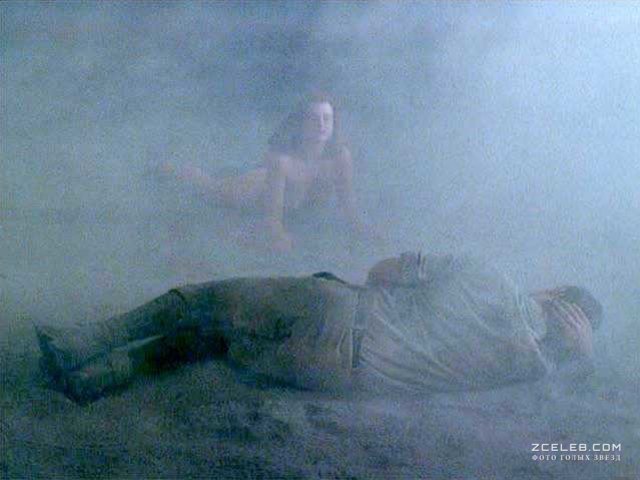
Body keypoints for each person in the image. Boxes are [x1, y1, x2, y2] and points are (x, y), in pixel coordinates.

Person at [35, 252, 603, 402]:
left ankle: (86, 344)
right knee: (221, 339)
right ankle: (100, 378)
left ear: (552, 293)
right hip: (335, 376)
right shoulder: (528, 367)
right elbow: (556, 372)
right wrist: (579, 355)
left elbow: (382, 272)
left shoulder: (490, 276)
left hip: (340, 314)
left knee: (204, 303)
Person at [158, 92, 369, 252]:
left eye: (327, 118)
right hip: (254, 190)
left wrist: (363, 230)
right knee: (213, 189)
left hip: (292, 205)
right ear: (301, 123)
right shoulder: (282, 161)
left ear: (334, 123)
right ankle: (168, 168)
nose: (322, 125)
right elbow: (272, 218)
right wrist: (280, 236)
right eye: (314, 119)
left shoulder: (340, 157)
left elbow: (349, 207)